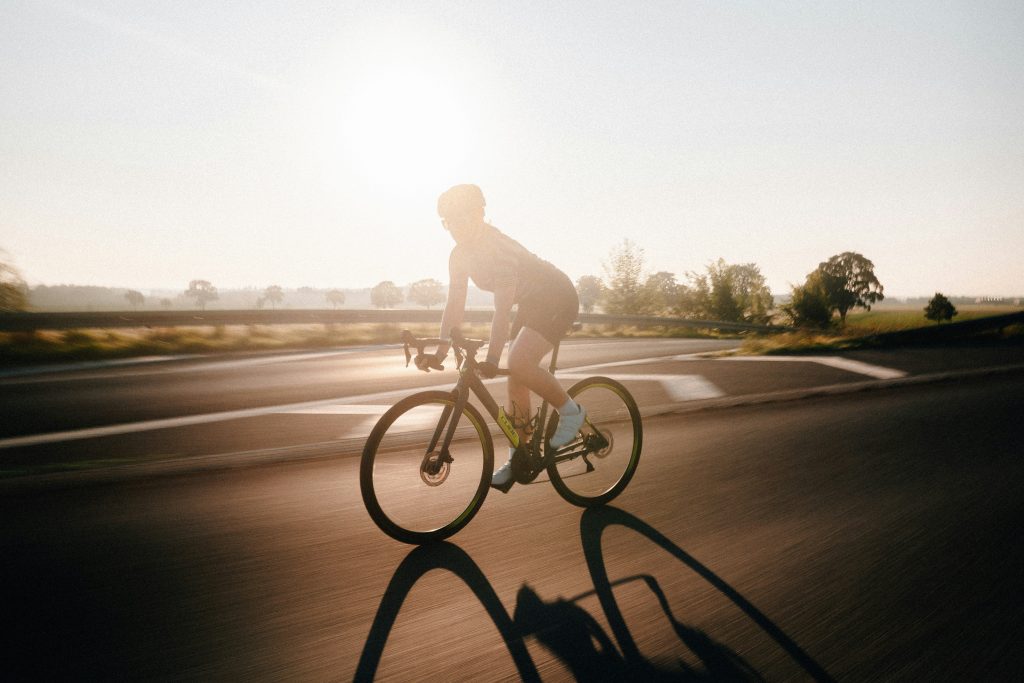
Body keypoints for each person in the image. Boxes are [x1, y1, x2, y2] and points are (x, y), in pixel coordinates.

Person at [415, 184, 585, 492]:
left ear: (480, 213)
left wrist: (493, 357)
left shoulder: (499, 249)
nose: (455, 227)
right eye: (449, 222)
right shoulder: (459, 255)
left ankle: (571, 413)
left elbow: (502, 310)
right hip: (532, 302)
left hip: (557, 296)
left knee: (518, 361)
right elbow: (454, 305)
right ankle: (519, 455)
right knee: (516, 378)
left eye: (462, 218)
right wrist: (440, 352)